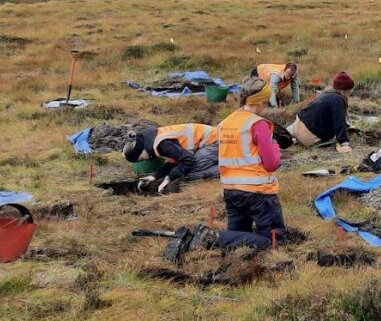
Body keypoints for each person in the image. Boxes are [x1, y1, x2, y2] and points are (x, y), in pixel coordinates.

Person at [211, 77, 285, 250]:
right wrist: (275, 146)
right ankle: (215, 239)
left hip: (231, 192)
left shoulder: (225, 123)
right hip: (259, 193)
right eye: (266, 102)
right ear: (260, 101)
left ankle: (222, 246)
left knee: (237, 241)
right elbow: (271, 164)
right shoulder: (258, 124)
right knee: (274, 243)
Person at [122, 122, 219, 193]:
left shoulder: (162, 144)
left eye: (142, 158)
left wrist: (169, 178)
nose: (146, 160)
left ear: (141, 150)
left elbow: (188, 160)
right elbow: (174, 160)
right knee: (181, 169)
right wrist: (154, 176)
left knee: (189, 173)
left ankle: (225, 168)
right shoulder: (150, 139)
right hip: (209, 141)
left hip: (216, 141)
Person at [288, 71, 355, 153]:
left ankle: (296, 138)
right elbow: (339, 122)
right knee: (333, 136)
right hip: (308, 137)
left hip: (296, 126)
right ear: (346, 90)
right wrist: (344, 143)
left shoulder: (326, 93)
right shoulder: (338, 100)